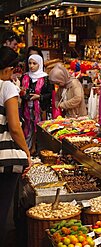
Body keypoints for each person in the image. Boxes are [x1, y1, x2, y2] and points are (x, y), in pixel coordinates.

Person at [0, 46, 30, 244]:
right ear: (8, 69)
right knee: (2, 208)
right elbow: (14, 126)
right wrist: (27, 153)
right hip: (3, 159)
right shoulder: (7, 86)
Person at [20, 54, 52, 155]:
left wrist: (39, 97)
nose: (31, 66)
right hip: (26, 107)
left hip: (40, 109)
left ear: (40, 64)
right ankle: (26, 148)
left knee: (37, 128)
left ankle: (35, 148)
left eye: (34, 63)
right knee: (26, 127)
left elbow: (50, 94)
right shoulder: (25, 76)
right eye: (30, 63)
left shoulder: (45, 78)